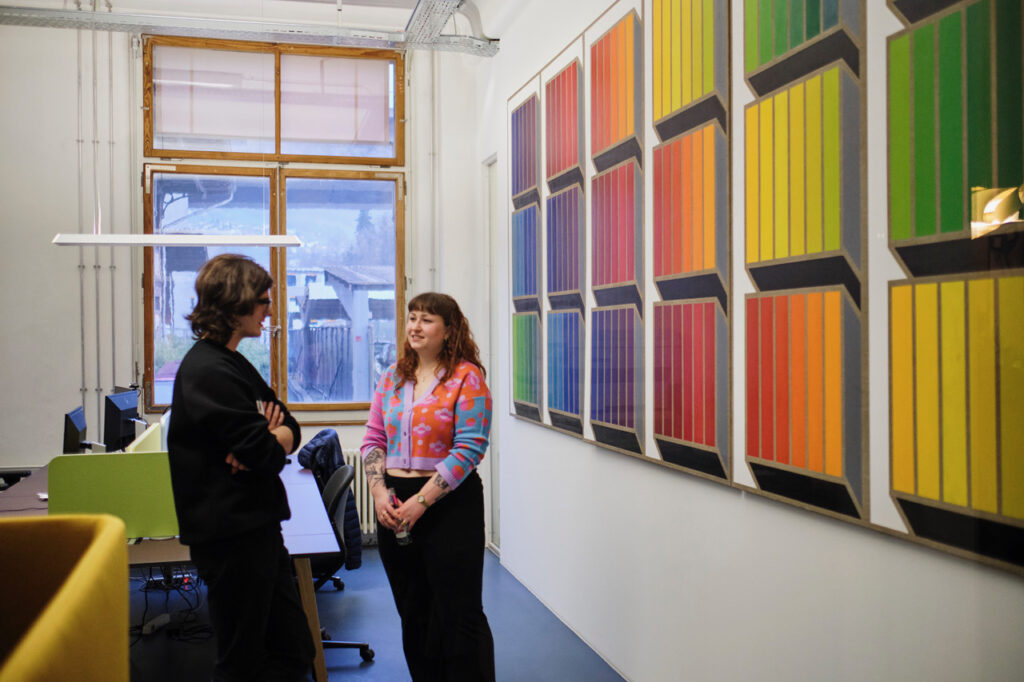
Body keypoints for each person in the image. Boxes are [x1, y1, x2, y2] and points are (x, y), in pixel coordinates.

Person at [167, 254, 314, 682]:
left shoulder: (230, 361)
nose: (269, 310)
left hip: (256, 530)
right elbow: (264, 454)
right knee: (243, 660)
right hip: (232, 538)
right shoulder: (208, 370)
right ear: (236, 305)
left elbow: (289, 426)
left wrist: (270, 437)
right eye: (263, 301)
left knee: (293, 650)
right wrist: (265, 442)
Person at [361, 292, 495, 681]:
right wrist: (379, 493)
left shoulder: (467, 378)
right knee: (413, 610)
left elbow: (469, 448)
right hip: (394, 505)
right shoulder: (392, 376)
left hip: (449, 505)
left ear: (449, 330)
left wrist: (421, 501)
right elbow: (373, 439)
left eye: (427, 320)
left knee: (459, 613)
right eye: (412, 318)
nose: (415, 327)